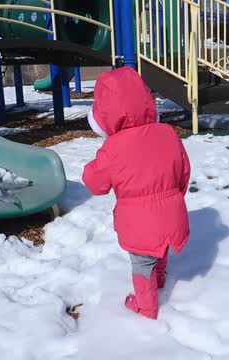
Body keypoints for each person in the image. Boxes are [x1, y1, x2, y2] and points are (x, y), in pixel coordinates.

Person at [82, 66, 191, 320]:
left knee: (142, 262)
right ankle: (160, 279)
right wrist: (175, 199)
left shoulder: (114, 147)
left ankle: (146, 306)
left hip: (139, 224)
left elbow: (95, 183)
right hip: (172, 215)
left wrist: (92, 166)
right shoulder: (168, 134)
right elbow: (184, 172)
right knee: (160, 248)